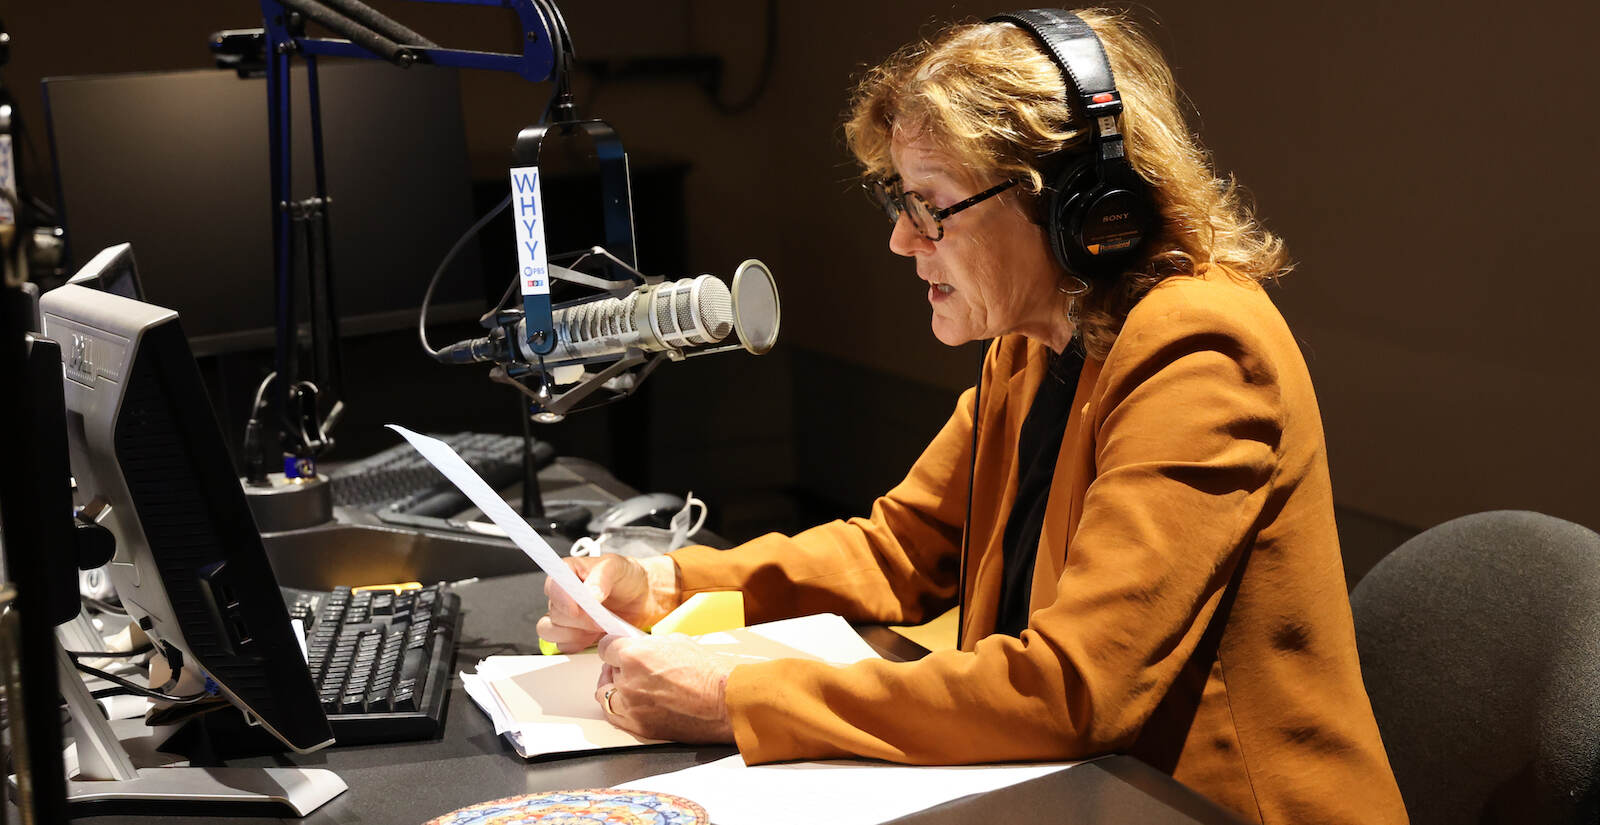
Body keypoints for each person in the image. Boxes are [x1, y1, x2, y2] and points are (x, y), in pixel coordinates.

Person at [538, 8, 1407, 823]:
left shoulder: (1200, 351)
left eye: (932, 207)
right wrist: (662, 584)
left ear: (1072, 203)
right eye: (899, 203)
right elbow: (899, 550)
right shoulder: (1033, 340)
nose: (902, 241)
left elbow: (1074, 687)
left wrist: (734, 700)